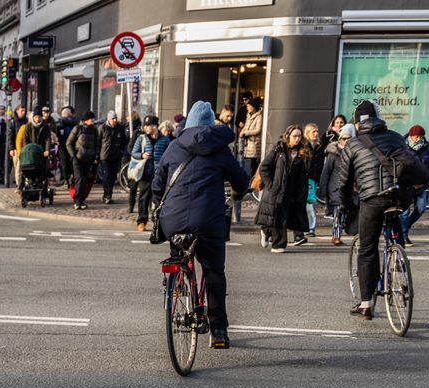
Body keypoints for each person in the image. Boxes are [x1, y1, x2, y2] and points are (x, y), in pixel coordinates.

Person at [153, 101, 250, 349]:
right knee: (214, 271)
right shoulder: (220, 149)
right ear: (210, 124)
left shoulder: (174, 146)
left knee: (179, 248)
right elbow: (241, 180)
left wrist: (158, 203)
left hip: (173, 219)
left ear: (188, 124)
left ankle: (177, 283)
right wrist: (239, 190)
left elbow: (158, 183)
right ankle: (218, 329)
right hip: (207, 219)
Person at [334, 100, 419, 318]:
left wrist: (345, 205)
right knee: (394, 214)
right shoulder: (396, 137)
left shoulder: (352, 145)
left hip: (372, 199)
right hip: (400, 195)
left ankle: (366, 303)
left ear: (356, 122)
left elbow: (343, 183)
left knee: (367, 248)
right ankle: (398, 254)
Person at [256, 124, 310, 252]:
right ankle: (269, 235)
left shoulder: (303, 153)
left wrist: (301, 193)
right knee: (271, 217)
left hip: (289, 192)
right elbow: (264, 167)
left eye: (299, 136)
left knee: (281, 217)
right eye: (294, 136)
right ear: (288, 136)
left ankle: (278, 244)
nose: (297, 138)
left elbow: (302, 176)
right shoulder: (279, 149)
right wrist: (270, 184)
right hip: (275, 189)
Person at [320, 123, 356, 245]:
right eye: (343, 138)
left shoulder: (356, 154)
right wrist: (323, 191)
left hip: (352, 189)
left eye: (349, 138)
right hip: (336, 189)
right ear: (339, 139)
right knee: (338, 213)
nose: (346, 141)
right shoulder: (333, 154)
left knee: (346, 213)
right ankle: (336, 236)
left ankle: (341, 232)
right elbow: (326, 173)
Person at [400, 124, 429, 245]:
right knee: (404, 212)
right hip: (406, 184)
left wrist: (427, 177)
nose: (418, 139)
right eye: (415, 137)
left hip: (421, 184)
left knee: (421, 208)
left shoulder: (427, 147)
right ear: (410, 136)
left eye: (420, 136)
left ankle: (405, 227)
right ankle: (404, 236)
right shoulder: (403, 146)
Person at [130, 115, 165, 230]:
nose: (145, 128)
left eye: (148, 125)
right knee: (143, 198)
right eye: (145, 125)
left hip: (159, 175)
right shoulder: (141, 138)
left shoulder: (165, 140)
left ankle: (157, 222)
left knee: (158, 200)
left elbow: (169, 156)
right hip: (145, 173)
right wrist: (142, 155)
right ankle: (142, 221)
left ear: (155, 126)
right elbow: (134, 152)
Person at [13, 106, 57, 189]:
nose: (37, 119)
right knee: (24, 169)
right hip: (30, 151)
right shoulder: (28, 126)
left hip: (41, 151)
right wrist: (27, 149)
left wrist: (47, 150)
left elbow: (48, 139)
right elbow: (25, 139)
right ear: (33, 117)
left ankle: (44, 185)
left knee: (43, 168)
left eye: (39, 117)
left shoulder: (45, 126)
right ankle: (20, 186)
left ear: (41, 117)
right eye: (36, 117)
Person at [66, 110, 99, 210]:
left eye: (93, 119)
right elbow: (68, 143)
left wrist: (95, 156)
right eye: (91, 119)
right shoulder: (77, 128)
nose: (93, 120)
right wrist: (73, 155)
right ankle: (77, 200)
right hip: (78, 159)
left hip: (88, 159)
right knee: (79, 179)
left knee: (85, 180)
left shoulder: (94, 130)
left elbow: (96, 144)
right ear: (85, 120)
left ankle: (82, 199)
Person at [98, 109, 128, 204]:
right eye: (113, 118)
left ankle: (108, 195)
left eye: (116, 118)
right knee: (106, 176)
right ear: (109, 119)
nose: (115, 120)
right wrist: (97, 155)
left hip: (116, 156)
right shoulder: (102, 128)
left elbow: (124, 141)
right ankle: (107, 195)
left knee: (112, 177)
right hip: (105, 157)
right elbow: (97, 141)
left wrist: (122, 151)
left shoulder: (120, 127)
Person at [304, 122, 326, 237]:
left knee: (310, 203)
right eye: (313, 131)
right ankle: (307, 227)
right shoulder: (304, 147)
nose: (316, 134)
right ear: (307, 133)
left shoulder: (319, 147)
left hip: (313, 179)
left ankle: (310, 228)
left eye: (317, 131)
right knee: (306, 203)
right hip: (304, 178)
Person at [239, 97, 264, 180]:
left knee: (252, 165)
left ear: (253, 107)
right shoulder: (248, 115)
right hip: (247, 144)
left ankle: (251, 184)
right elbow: (246, 126)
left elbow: (258, 130)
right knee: (247, 164)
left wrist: (246, 133)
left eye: (248, 106)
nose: (247, 108)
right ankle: (247, 182)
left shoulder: (259, 116)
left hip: (254, 144)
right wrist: (242, 132)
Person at [6, 104, 28, 186]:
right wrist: (11, 149)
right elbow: (10, 136)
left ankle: (24, 184)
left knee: (25, 167)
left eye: (24, 111)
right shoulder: (13, 122)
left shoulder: (27, 121)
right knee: (17, 167)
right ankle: (19, 185)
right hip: (16, 149)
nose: (23, 112)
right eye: (22, 111)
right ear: (17, 111)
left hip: (25, 148)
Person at [55, 105, 77, 182]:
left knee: (64, 163)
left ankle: (65, 179)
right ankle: (72, 177)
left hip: (62, 146)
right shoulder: (75, 123)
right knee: (72, 162)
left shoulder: (59, 124)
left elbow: (56, 135)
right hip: (73, 145)